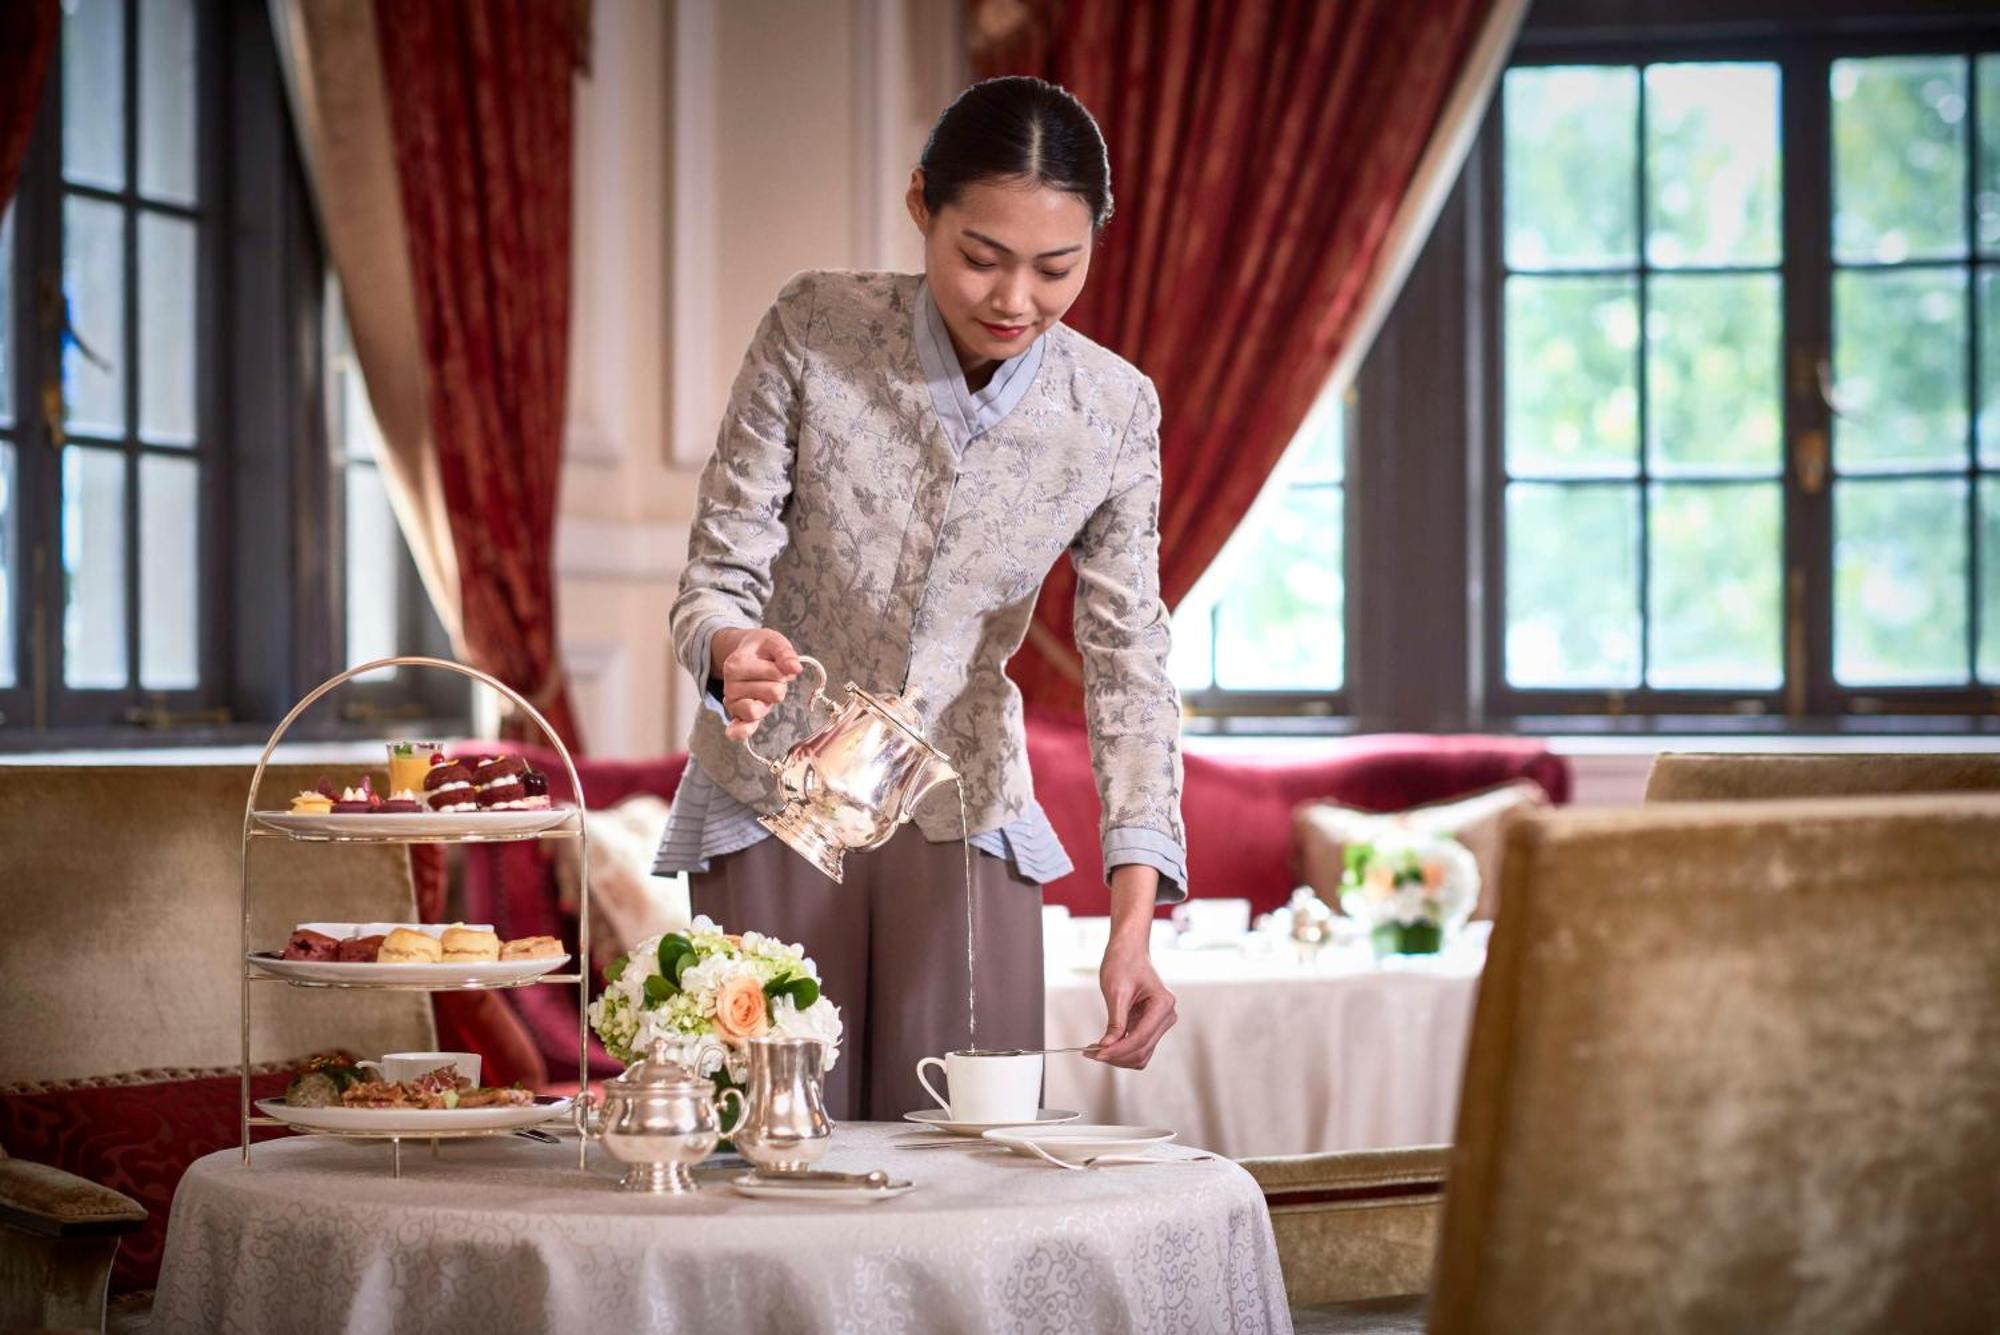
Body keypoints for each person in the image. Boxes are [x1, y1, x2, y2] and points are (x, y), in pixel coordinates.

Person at [655, 76, 1183, 1121]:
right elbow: (718, 568)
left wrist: (1134, 922)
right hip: (773, 789)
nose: (1013, 300)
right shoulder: (814, 326)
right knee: (760, 1135)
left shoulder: (1114, 411)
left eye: (1054, 267)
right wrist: (724, 646)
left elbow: (1130, 666)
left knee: (967, 1145)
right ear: (919, 209)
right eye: (980, 257)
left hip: (963, 800)